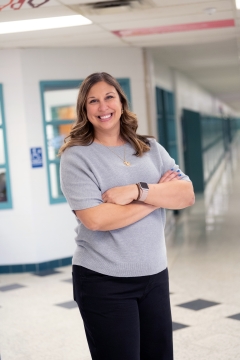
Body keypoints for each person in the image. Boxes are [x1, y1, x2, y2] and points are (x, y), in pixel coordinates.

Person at [59, 72, 195, 360]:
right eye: (92, 101)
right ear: (85, 110)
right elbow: (96, 220)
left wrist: (136, 190)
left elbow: (186, 195)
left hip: (155, 275)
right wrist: (157, 198)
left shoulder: (150, 149)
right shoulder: (77, 157)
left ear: (121, 102)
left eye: (109, 97)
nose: (102, 106)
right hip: (103, 280)